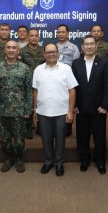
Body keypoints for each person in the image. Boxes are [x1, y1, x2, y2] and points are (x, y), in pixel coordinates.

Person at [33, 43, 78, 177]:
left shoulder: (66, 69)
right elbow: (35, 91)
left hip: (61, 111)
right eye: (48, 52)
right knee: (45, 139)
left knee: (60, 139)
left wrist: (70, 111)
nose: (51, 54)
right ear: (44, 54)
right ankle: (48, 161)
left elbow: (72, 91)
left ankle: (59, 163)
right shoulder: (38, 69)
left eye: (54, 52)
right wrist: (35, 110)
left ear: (58, 53)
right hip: (43, 111)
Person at [71, 35, 108, 174]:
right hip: (81, 107)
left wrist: (105, 106)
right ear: (82, 47)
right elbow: (73, 87)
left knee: (99, 136)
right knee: (82, 136)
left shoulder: (104, 63)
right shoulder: (76, 63)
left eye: (92, 44)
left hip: (98, 108)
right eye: (86, 44)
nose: (89, 47)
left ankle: (100, 161)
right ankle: (84, 160)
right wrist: (74, 105)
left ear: (96, 47)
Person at [0, 40, 32, 173]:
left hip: (19, 110)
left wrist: (28, 108)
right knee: (4, 138)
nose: (11, 50)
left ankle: (19, 159)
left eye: (14, 47)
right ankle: (8, 158)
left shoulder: (25, 68)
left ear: (18, 51)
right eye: (8, 47)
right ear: (4, 50)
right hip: (2, 109)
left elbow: (28, 90)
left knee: (19, 139)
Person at [19, 28, 46, 139]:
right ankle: (28, 127)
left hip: (42, 82)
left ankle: (41, 126)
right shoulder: (22, 51)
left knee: (42, 103)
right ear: (27, 37)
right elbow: (20, 67)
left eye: (36, 36)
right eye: (32, 35)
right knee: (29, 105)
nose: (34, 37)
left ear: (39, 37)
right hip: (28, 82)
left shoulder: (43, 50)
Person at [56, 24, 80, 137]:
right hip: (56, 81)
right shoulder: (54, 47)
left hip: (69, 80)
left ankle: (68, 126)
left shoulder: (73, 48)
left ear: (68, 33)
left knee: (70, 103)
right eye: (59, 32)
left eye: (63, 32)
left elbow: (76, 66)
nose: (61, 34)